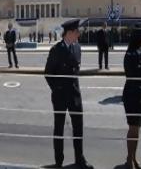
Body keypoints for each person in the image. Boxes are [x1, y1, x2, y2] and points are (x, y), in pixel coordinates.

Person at [44, 19, 94, 169]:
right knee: (59, 129)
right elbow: (48, 73)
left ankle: (80, 159)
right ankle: (58, 161)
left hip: (75, 94)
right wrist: (57, 89)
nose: (79, 34)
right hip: (60, 96)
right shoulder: (56, 50)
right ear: (69, 33)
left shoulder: (77, 48)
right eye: (77, 32)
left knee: (78, 128)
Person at [122, 28, 141, 169]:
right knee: (133, 128)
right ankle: (129, 159)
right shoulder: (130, 55)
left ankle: (134, 157)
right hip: (132, 96)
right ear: (140, 40)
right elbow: (133, 78)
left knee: (137, 129)